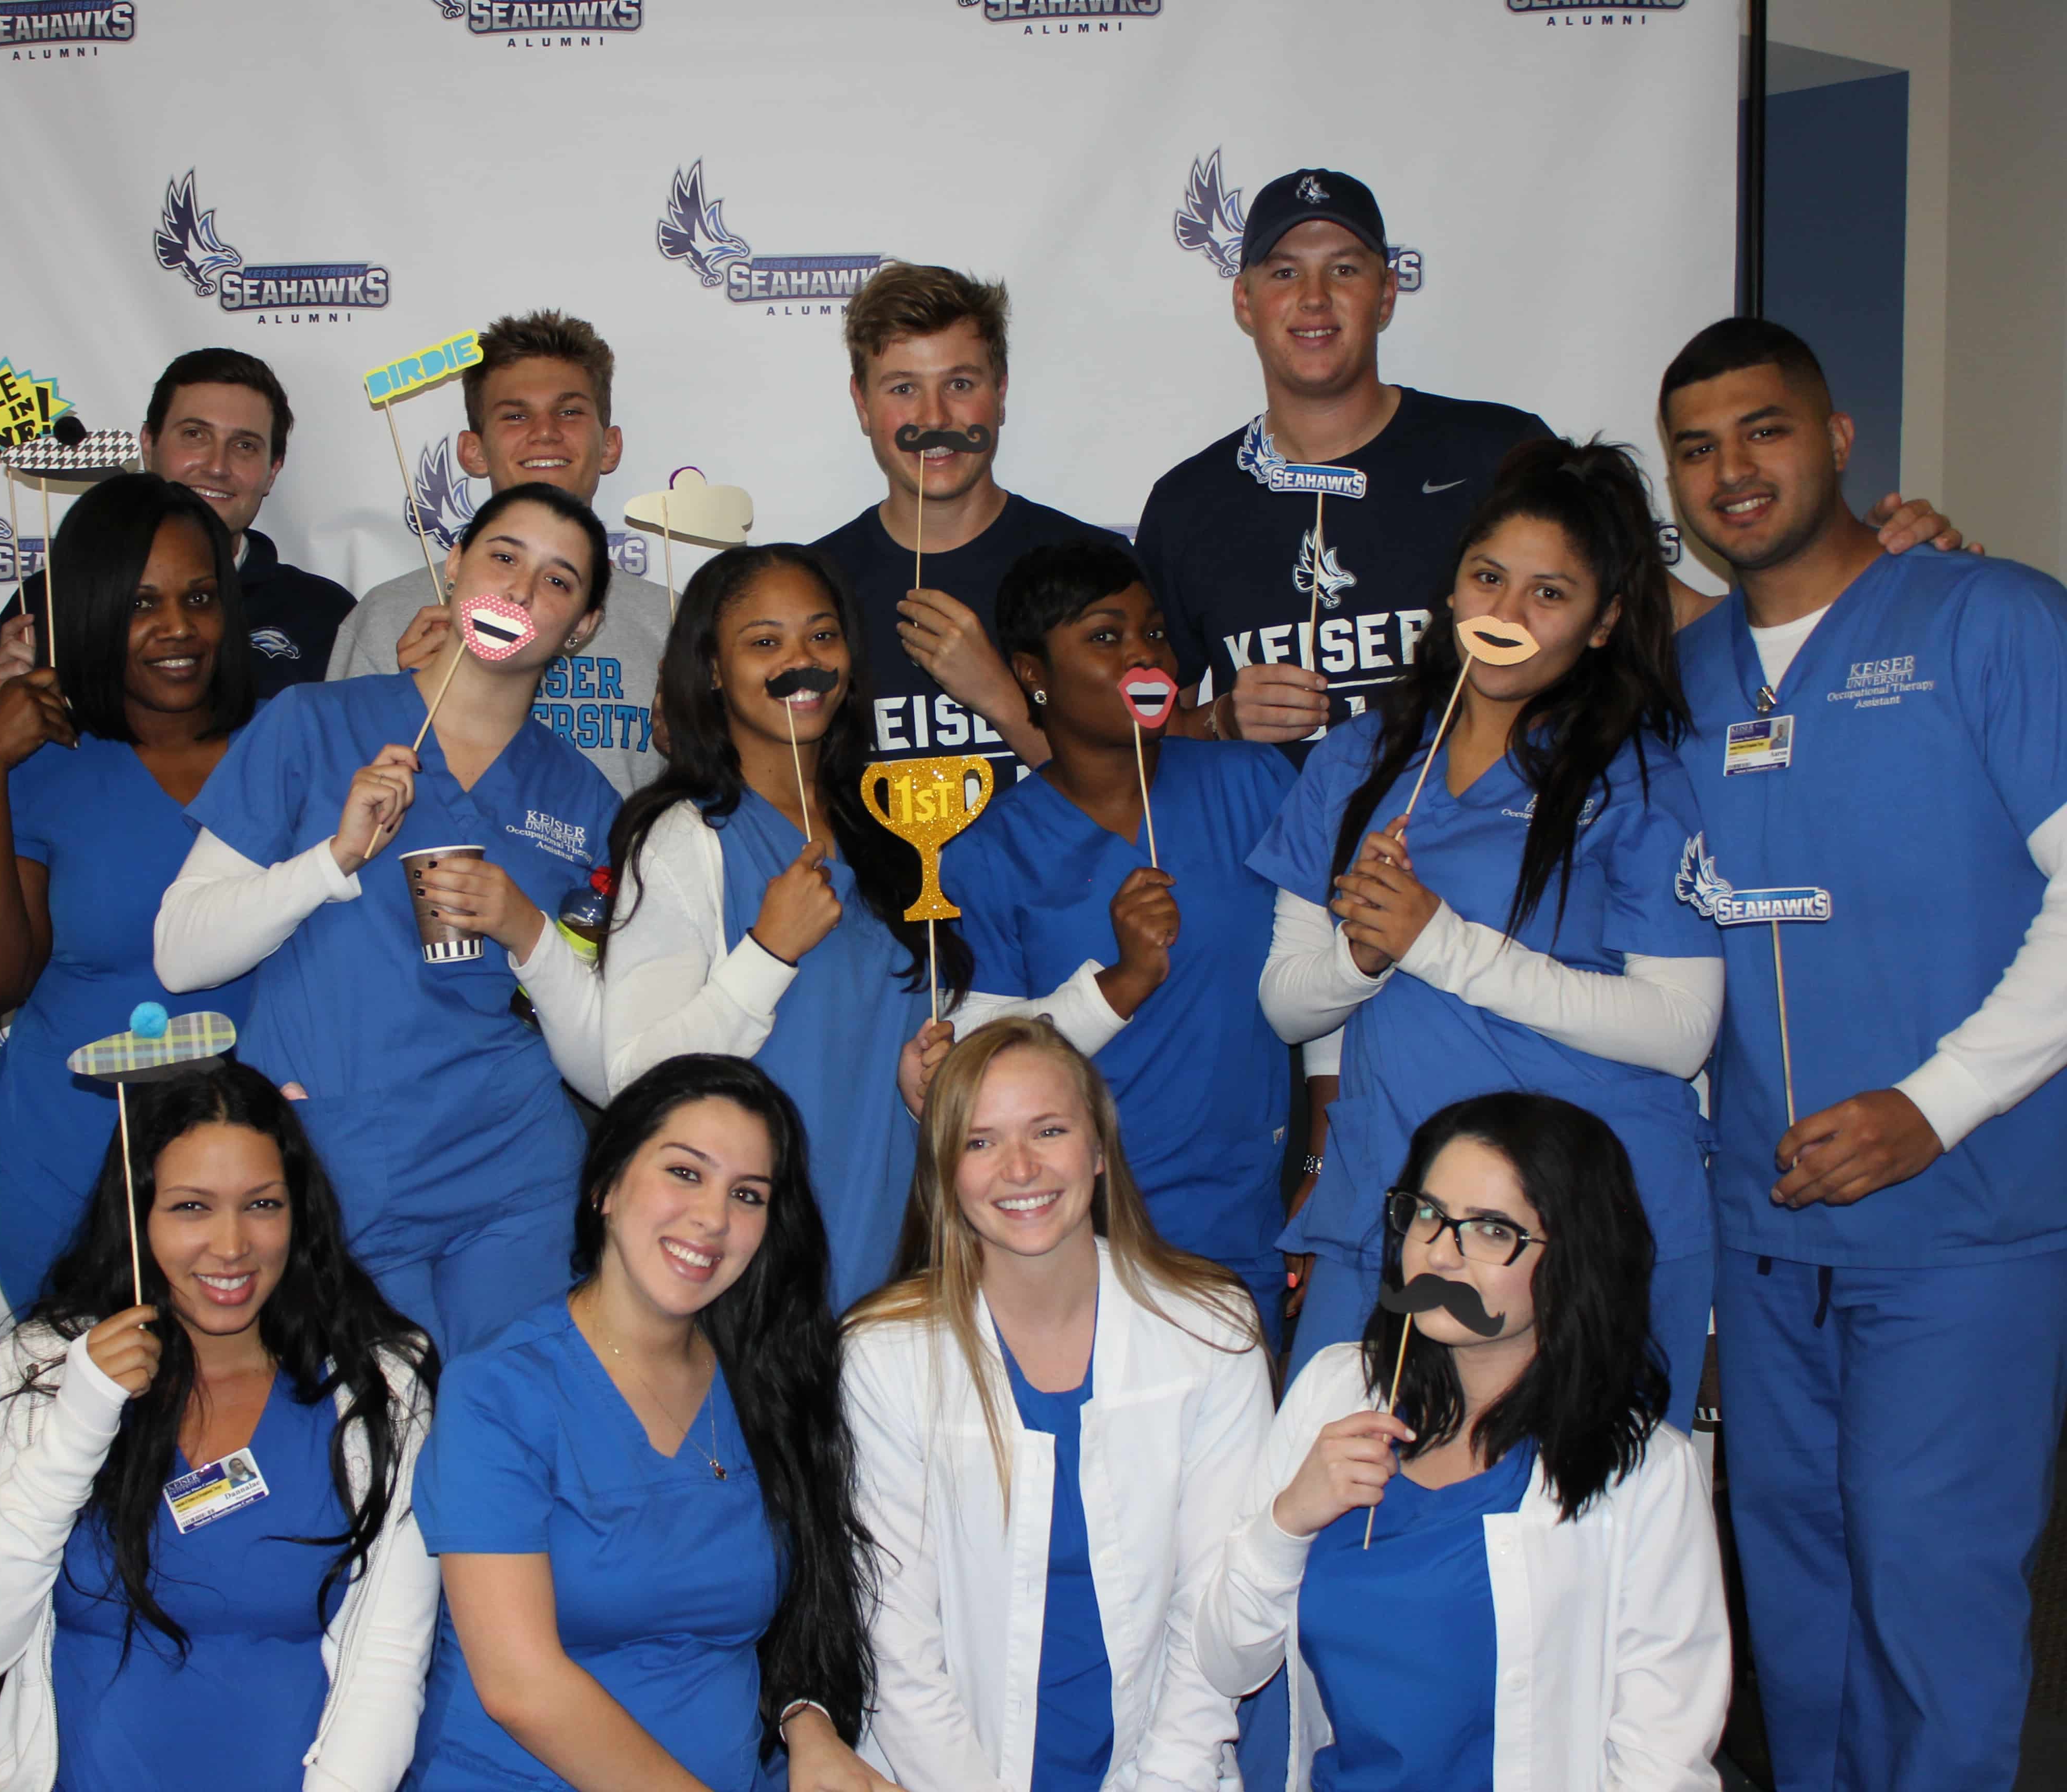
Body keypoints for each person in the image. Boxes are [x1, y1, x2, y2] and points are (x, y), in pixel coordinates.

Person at [1662, 316, 2067, 1792]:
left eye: (1765, 430)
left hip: (1963, 1227)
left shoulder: (1988, 621)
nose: (1733, 471)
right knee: (1802, 1615)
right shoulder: (1683, 672)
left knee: (1931, 1595)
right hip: (1765, 1238)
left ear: (1838, 440)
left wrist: (1935, 1103)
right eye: (1697, 448)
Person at [1137, 166, 1968, 755]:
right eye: (1285, 273)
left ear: (1387, 293)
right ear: (1246, 300)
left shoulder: (1500, 450)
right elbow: (1127, 726)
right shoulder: (1188, 503)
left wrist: (1872, 580)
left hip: (1491, 890)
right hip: (1277, 912)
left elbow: (1666, 612)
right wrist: (1215, 722)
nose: (1314, 301)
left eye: (1344, 270)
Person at [1250, 439, 1723, 1429]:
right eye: (1486, 578)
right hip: (1388, 1207)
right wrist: (1362, 956)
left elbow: (1680, 1029)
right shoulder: (1359, 760)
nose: (1504, 617)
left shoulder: (1631, 781)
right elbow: (1287, 1002)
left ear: (1600, 626)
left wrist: (1441, 944)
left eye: (1548, 595)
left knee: (1575, 1544)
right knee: (1341, 1513)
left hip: (1580, 1227)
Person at [156, 482, 620, 1352]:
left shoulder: (584, 799)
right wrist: (331, 861)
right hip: (332, 1156)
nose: (520, 593)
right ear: (452, 568)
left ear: (583, 627)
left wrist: (524, 927)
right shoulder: (312, 725)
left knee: (500, 1445)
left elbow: (603, 1063)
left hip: (509, 1175)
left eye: (558, 583)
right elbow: (182, 954)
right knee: (362, 1451)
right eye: (503, 558)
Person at [0, 1060, 438, 1792]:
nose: (231, 1246)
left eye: (261, 1205)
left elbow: (387, 1663)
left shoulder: (379, 1385)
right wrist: (81, 1419)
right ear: (136, 1215)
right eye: (192, 1207)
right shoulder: (45, 1365)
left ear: (300, 1213)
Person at [1196, 1091, 1729, 1791]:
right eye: (1427, 1214)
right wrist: (1287, 1522)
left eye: (1490, 1230)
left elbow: (1663, 1761)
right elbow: (1227, 1663)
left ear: (1577, 1255)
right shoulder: (1333, 1390)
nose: (1442, 1255)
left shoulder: (1647, 1473)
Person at [410, 1054, 893, 1792]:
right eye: (685, 1173)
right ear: (604, 1186)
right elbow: (519, 1685)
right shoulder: (497, 1393)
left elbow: (798, 1620)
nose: (714, 1218)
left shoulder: (769, 1383)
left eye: (749, 1194)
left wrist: (810, 1726)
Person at [846, 1018, 1272, 1792]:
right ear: (944, 1171)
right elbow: (894, 1642)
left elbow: (1212, 1622)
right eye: (980, 1143)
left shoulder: (1212, 1331)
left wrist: (1167, 1781)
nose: (1020, 1168)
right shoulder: (882, 1354)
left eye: (1049, 1129)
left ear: (1100, 1150)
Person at [916, 538, 1306, 1338]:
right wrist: (1120, 983)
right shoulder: (988, 854)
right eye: (1105, 637)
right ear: (1031, 674)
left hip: (1244, 1225)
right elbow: (974, 1069)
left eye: (1154, 634)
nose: (1143, 657)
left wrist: (1323, 1163)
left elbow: (1320, 983)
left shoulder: (1257, 782)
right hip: (1070, 1234)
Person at [601, 543, 968, 1309]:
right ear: (710, 670)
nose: (801, 662)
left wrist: (930, 1074)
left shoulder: (890, 837)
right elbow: (634, 1080)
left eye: (822, 637)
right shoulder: (686, 837)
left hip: (894, 1257)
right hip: (748, 1282)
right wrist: (768, 952)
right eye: (765, 642)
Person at [0, 473, 256, 1310]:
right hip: (71, 1155)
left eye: (199, 596)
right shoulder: (43, 763)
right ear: (90, 609)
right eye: (140, 603)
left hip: (245, 1171)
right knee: (83, 1426)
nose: (177, 628)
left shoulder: (287, 749)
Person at [328, 311, 664, 794]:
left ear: (610, 447)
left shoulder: (669, 621)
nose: (545, 432)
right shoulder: (384, 618)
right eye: (515, 415)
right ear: (474, 451)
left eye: (569, 411)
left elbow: (706, 806)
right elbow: (329, 787)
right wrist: (403, 700)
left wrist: (693, 741)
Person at [811, 262, 1117, 791]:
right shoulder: (810, 587)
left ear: (999, 394)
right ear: (862, 405)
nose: (934, 419)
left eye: (959, 383)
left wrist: (1000, 696)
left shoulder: (1100, 570)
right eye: (903, 389)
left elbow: (1137, 802)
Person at [0, 347, 351, 718]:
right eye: (194, 435)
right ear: (149, 446)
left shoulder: (324, 615)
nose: (217, 466)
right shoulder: (51, 599)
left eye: (245, 445)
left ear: (272, 471)